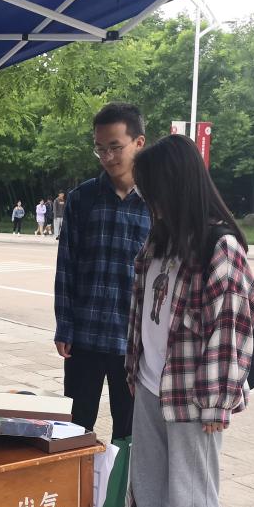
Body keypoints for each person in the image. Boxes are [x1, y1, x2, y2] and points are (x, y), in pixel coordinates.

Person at [109, 133, 254, 507]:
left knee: (193, 486)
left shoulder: (219, 247)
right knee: (149, 477)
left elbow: (231, 330)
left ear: (173, 186)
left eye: (151, 190)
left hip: (196, 394)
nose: (147, 201)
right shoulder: (160, 239)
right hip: (149, 382)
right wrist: (134, 368)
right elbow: (142, 314)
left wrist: (218, 403)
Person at [54, 102, 152, 438]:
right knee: (74, 430)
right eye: (100, 149)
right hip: (85, 336)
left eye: (115, 147)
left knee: (129, 434)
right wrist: (64, 325)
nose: (107, 157)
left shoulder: (157, 202)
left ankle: (121, 476)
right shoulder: (82, 198)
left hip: (136, 342)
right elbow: (66, 266)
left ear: (139, 143)